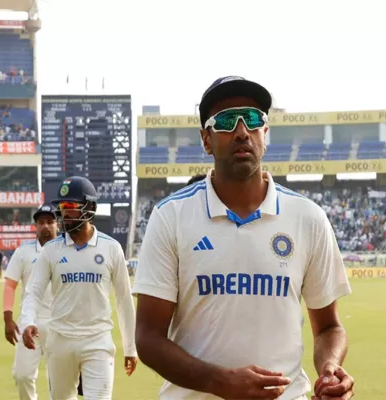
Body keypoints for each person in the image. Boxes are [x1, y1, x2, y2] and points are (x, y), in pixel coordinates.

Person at [133, 76, 355, 400]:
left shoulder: (308, 217)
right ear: (206, 140)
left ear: (265, 133)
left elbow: (329, 328)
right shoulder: (171, 216)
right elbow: (148, 339)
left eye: (252, 120)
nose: (241, 132)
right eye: (225, 121)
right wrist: (219, 382)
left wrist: (330, 368)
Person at [20, 176, 138, 399]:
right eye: (62, 207)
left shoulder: (111, 248)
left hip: (98, 341)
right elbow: (33, 292)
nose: (65, 213)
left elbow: (124, 300)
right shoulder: (51, 250)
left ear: (89, 207)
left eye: (71, 207)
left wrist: (130, 347)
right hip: (60, 342)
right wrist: (27, 321)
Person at [2, 203, 59, 400]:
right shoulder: (24, 252)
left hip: (59, 324)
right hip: (30, 323)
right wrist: (8, 319)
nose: (46, 226)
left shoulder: (67, 250)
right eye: (41, 222)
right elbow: (10, 285)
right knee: (22, 375)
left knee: (59, 381)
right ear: (35, 226)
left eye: (50, 222)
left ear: (57, 224)